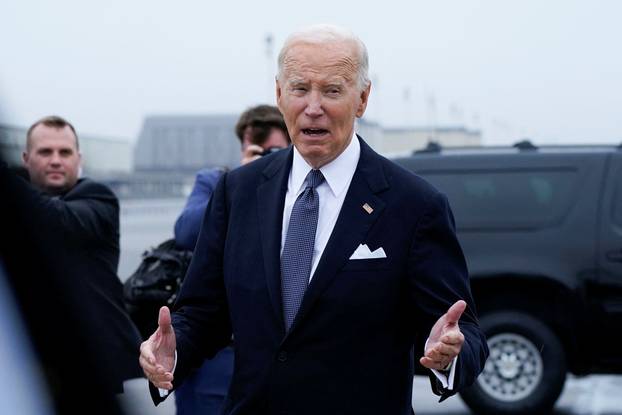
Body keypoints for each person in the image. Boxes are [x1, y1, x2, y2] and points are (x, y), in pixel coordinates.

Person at [141, 25, 488, 414]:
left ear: (363, 99)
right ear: (278, 94)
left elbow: (464, 332)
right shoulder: (237, 191)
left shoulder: (415, 204)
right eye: (300, 88)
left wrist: (449, 354)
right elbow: (203, 313)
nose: (313, 106)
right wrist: (172, 352)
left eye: (332, 90)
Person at [173, 105, 290, 414]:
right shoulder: (218, 182)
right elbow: (185, 232)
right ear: (243, 147)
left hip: (273, 345)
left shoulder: (299, 190)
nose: (268, 157)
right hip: (220, 343)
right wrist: (243, 180)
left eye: (275, 151)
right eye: (258, 150)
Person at [17, 115, 143, 393]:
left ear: (79, 158)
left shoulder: (98, 198)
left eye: (65, 152)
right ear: (26, 158)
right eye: (45, 152)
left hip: (90, 362)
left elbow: (55, 219)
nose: (55, 160)